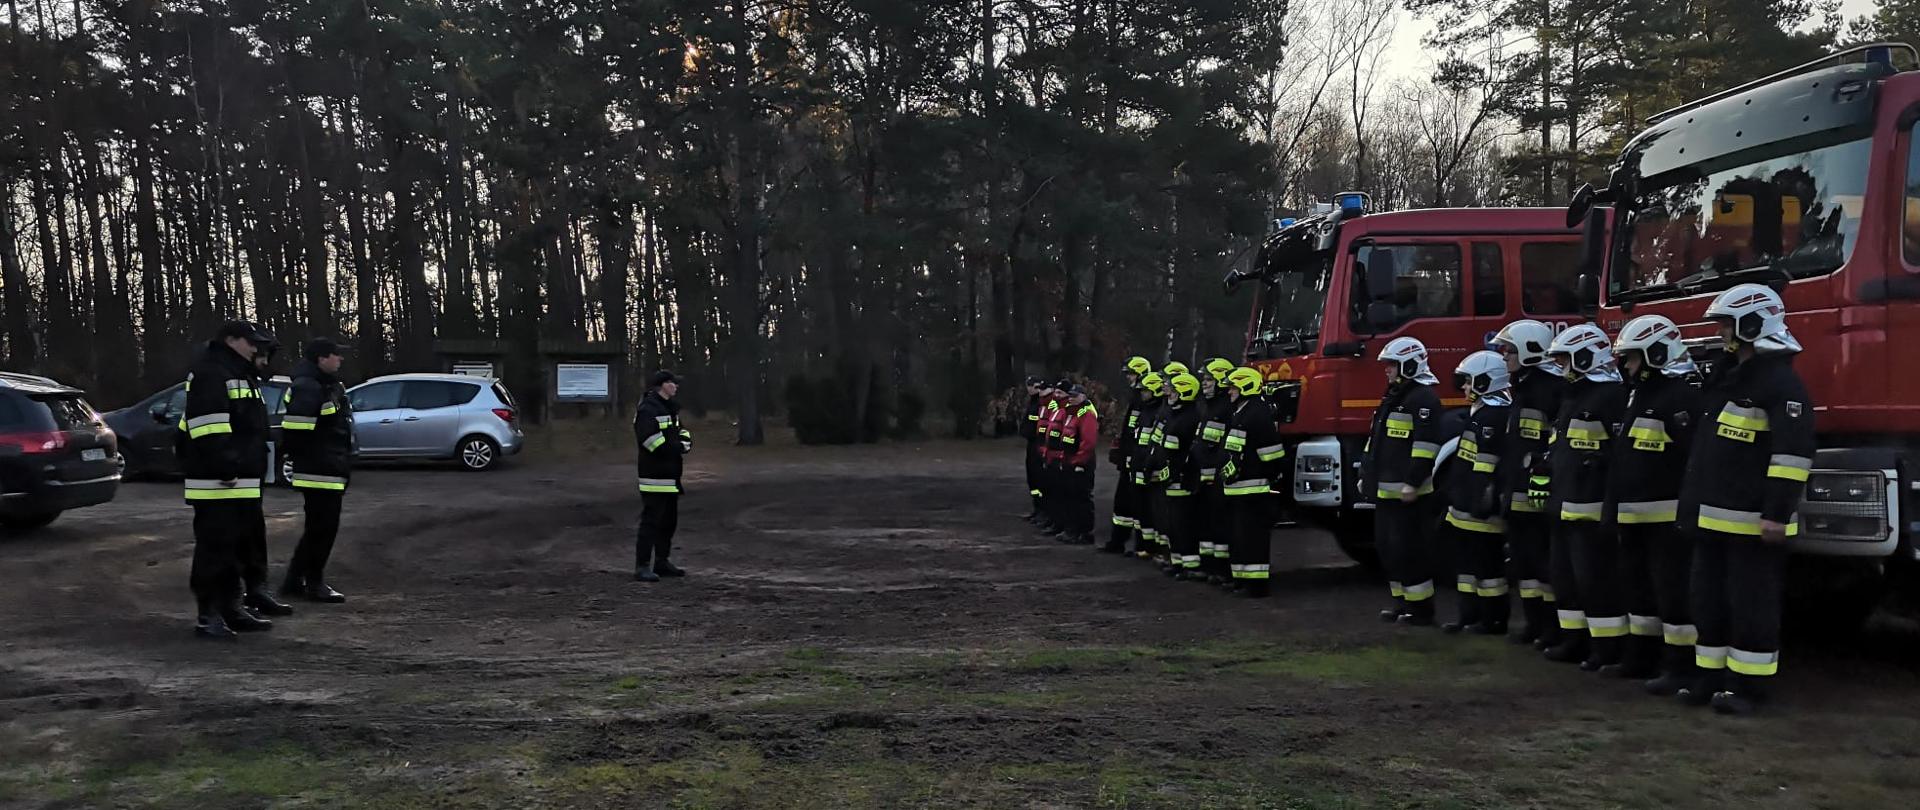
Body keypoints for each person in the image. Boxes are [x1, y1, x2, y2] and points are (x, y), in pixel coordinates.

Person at [1679, 284, 1813, 716]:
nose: (1720, 334)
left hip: (1754, 525)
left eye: (1725, 326)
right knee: (1707, 601)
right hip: (1713, 521)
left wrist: (1776, 513)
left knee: (1751, 606)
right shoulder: (1726, 377)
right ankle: (1710, 679)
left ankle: (1748, 688)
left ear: (1752, 325)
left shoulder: (1780, 383)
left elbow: (1791, 456)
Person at [1607, 315, 1702, 689]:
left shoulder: (1681, 398)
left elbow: (1691, 460)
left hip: (1666, 522)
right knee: (1638, 591)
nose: (1627, 367)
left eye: (1632, 359)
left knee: (1672, 595)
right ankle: (1642, 658)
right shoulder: (1639, 395)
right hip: (1633, 519)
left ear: (1656, 354)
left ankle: (1678, 666)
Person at [1538, 324, 1630, 670]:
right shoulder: (1572, 396)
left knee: (1596, 582)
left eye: (1567, 361)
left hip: (1591, 510)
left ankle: (1606, 649)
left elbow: (1618, 454)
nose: (1563, 369)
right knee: (1565, 579)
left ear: (1586, 357)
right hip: (1563, 504)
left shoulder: (1611, 397)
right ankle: (1573, 640)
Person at [182, 321, 277, 640]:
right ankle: (208, 616)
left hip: (240, 480)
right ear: (230, 340)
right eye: (251, 342)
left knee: (237, 549)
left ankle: (231, 609)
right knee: (215, 550)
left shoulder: (238, 372)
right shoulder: (212, 373)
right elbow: (207, 426)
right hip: (218, 482)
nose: (256, 348)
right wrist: (226, 466)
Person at [1492, 320, 1568, 648]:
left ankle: (1552, 629)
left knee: (1543, 564)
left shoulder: (1551, 389)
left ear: (1530, 350)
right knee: (1523, 564)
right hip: (1517, 493)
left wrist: (1540, 480)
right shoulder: (1520, 387)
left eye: (1509, 349)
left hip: (1538, 494)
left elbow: (1552, 444)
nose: (1504, 355)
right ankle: (1534, 624)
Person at [1362, 337, 1443, 625]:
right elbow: (1376, 442)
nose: (1387, 370)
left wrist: (1412, 482)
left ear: (1409, 365)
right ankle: (1402, 604)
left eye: (1392, 365)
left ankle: (1421, 610)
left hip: (1409, 495)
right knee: (1389, 550)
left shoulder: (1423, 399)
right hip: (1386, 493)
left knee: (1411, 552)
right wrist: (1366, 477)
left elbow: (1426, 447)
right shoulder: (1394, 396)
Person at [1441, 351, 1512, 635]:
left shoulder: (1494, 417)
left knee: (1488, 570)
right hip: (1464, 508)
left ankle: (1493, 621)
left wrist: (1483, 500)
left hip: (1481, 512)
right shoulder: (1481, 413)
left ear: (1486, 382)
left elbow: (1487, 467)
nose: (1465, 388)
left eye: (1470, 382)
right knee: (1467, 570)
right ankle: (1468, 617)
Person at [279, 338, 355, 603]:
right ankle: (314, 583)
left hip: (327, 467)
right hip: (318, 469)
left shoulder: (324, 385)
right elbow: (296, 432)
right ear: (321, 358)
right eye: (336, 354)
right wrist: (309, 459)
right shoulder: (309, 387)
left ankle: (294, 580)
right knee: (323, 529)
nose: (340, 359)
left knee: (317, 529)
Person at [1220, 366, 1284, 598]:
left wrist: (1270, 476)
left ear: (1246, 386)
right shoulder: (1241, 411)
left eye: (1233, 388)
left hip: (1253, 488)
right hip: (1237, 488)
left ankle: (1256, 585)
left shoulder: (1258, 413)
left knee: (1253, 537)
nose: (1229, 392)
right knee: (1238, 537)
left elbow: (1272, 454)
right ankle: (1241, 580)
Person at [634, 370, 692, 582]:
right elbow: (651, 441)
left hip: (671, 477)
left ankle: (662, 561)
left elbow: (683, 433)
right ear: (662, 386)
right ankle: (642, 566)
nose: (676, 386)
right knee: (651, 523)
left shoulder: (670, 408)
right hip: (654, 477)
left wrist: (683, 443)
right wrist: (676, 447)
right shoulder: (648, 409)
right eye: (672, 383)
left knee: (669, 523)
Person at [1149, 372, 1205, 577]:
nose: (1169, 394)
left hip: (1183, 479)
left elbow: (1191, 452)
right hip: (1170, 478)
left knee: (1184, 524)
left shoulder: (1190, 417)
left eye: (1173, 390)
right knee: (1173, 523)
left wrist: (1179, 472)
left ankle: (1189, 566)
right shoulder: (1174, 414)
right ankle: (1178, 561)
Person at [1192, 358, 1237, 582]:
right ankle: (1209, 567)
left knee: (1220, 526)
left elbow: (1221, 447)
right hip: (1204, 478)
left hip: (1217, 479)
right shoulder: (1208, 407)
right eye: (1204, 379)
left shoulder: (1225, 408)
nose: (1204, 384)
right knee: (1206, 524)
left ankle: (1222, 570)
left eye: (1209, 379)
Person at [1104, 359, 1152, 554]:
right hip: (1128, 459)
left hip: (1136, 460)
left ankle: (1137, 545)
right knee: (1122, 501)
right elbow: (1129, 430)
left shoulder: (1143, 399)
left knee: (1136, 503)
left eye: (1131, 374)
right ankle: (1118, 540)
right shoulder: (1135, 397)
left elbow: (1139, 434)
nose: (1128, 378)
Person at [1129, 372, 1167, 559]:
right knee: (1140, 509)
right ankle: (1142, 545)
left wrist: (1149, 465)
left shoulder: (1158, 412)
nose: (1142, 394)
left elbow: (1155, 445)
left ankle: (1152, 548)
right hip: (1139, 465)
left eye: (1146, 391)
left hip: (1151, 468)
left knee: (1153, 510)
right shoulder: (1145, 411)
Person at [1056, 385, 1100, 545]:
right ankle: (1071, 529)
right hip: (1068, 460)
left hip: (1081, 463)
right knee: (1069, 497)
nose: (1071, 398)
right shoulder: (1070, 412)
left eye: (1075, 396)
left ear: (1082, 396)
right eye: (1070, 395)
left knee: (1081, 498)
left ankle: (1084, 532)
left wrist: (1079, 462)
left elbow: (1088, 442)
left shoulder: (1086, 414)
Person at [1036, 380, 1070, 536]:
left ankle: (1060, 523)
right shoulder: (1056, 409)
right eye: (1056, 392)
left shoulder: (1066, 411)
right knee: (1050, 490)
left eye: (1060, 392)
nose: (1056, 395)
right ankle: (1053, 520)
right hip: (1049, 453)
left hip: (1059, 456)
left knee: (1060, 493)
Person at [1021, 376, 1046, 522]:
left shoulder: (1041, 404)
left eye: (1034, 386)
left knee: (1039, 478)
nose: (1030, 388)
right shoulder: (1032, 403)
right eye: (1029, 385)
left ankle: (1042, 510)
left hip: (1038, 444)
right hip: (1031, 444)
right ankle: (1037, 509)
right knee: (1032, 479)